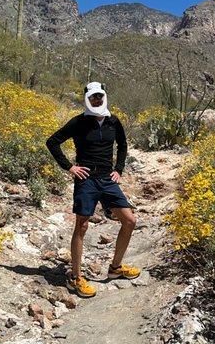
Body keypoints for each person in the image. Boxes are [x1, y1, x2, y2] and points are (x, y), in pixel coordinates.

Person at [46, 81, 140, 298]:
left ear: (104, 97)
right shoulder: (79, 122)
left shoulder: (113, 121)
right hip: (86, 179)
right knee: (82, 225)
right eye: (93, 97)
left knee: (130, 220)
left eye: (99, 96)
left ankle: (115, 268)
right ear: (87, 99)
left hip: (107, 179)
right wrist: (69, 167)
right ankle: (75, 277)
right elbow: (52, 142)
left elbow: (123, 145)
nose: (97, 100)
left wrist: (119, 169)